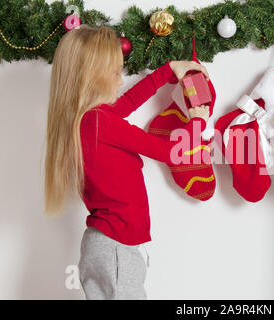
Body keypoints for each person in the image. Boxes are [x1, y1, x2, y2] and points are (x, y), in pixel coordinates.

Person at [44, 25, 209, 299]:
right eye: (115, 73)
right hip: (116, 247)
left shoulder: (90, 120)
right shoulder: (98, 122)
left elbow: (128, 101)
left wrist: (168, 71)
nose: (121, 81)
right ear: (92, 77)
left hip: (110, 244)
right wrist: (197, 123)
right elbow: (171, 153)